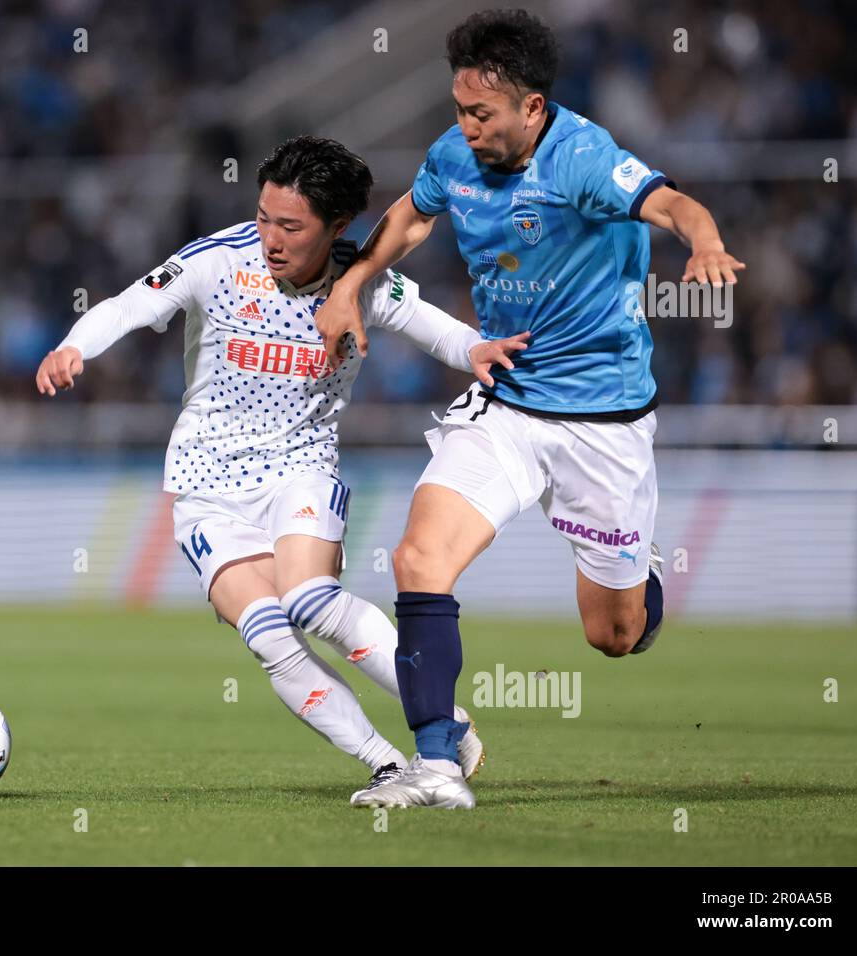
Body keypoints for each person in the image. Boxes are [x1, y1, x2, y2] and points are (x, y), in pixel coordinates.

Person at [313, 10, 745, 809]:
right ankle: (437, 765)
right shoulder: (455, 156)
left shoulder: (582, 158)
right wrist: (347, 287)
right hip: (507, 401)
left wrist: (707, 243)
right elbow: (409, 215)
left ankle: (638, 570)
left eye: (483, 114)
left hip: (602, 423)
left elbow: (671, 205)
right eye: (459, 110)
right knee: (418, 561)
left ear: (533, 108)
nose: (466, 128)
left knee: (612, 636)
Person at [37, 136, 528, 795]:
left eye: (290, 225)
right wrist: (74, 346)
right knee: (269, 634)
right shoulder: (217, 261)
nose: (270, 236)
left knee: (307, 599)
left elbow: (432, 325)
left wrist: (475, 349)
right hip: (205, 486)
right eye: (265, 216)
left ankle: (439, 719)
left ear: (337, 227)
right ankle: (387, 762)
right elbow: (131, 303)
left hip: (299, 471)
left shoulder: (362, 278)